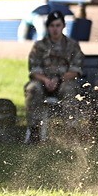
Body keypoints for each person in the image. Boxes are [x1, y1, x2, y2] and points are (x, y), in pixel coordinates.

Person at [25, 10, 85, 143]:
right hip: (43, 81)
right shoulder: (39, 46)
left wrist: (59, 79)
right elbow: (34, 70)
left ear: (63, 26)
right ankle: (34, 131)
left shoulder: (72, 45)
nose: (55, 29)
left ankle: (70, 131)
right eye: (52, 26)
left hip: (65, 81)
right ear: (48, 27)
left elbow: (76, 70)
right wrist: (46, 80)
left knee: (69, 90)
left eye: (58, 25)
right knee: (32, 88)